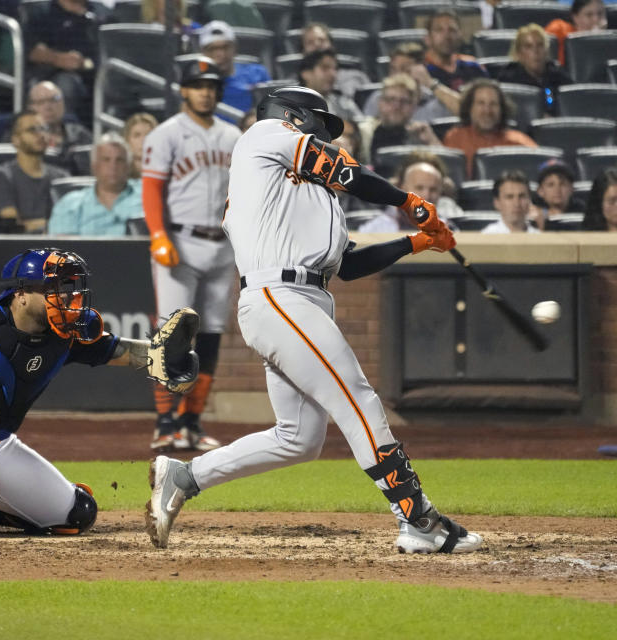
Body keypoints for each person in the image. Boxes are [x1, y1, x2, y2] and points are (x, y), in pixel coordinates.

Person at [145, 85, 483, 556]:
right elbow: (345, 170)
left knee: (299, 438)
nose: (327, 137)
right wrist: (409, 201)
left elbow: (348, 265)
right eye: (320, 126)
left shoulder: (311, 195)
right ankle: (417, 519)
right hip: (279, 295)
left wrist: (417, 243)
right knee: (357, 398)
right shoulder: (262, 135)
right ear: (293, 116)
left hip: (302, 300)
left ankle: (183, 475)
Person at [0, 248, 199, 538]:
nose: (65, 297)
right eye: (52, 289)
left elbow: (121, 352)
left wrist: (160, 357)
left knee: (77, 514)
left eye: (67, 287)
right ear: (20, 294)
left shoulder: (68, 331)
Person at [142, 56, 240, 451]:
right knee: (172, 334)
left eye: (211, 86)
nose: (205, 92)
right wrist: (158, 235)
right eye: (198, 86)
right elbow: (151, 189)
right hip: (180, 243)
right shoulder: (166, 134)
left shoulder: (233, 136)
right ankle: (166, 423)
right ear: (183, 90)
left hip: (222, 244)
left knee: (212, 335)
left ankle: (192, 423)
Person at [25, 0, 110, 124]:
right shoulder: (41, 11)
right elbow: (30, 50)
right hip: (54, 74)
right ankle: (65, 134)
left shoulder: (101, 12)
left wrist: (86, 64)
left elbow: (115, 47)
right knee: (66, 85)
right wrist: (57, 58)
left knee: (117, 88)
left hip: (98, 74)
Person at [0, 111, 70, 233]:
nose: (41, 134)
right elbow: (13, 227)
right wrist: (51, 224)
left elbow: (70, 221)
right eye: (32, 130)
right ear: (16, 140)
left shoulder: (62, 177)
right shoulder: (2, 176)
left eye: (43, 129)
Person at [48, 132, 143, 235]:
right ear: (94, 166)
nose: (113, 166)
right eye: (106, 160)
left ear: (128, 166)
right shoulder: (70, 204)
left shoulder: (147, 196)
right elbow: (62, 247)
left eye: (119, 160)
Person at [442, 79, 538, 177]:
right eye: (481, 103)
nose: (487, 111)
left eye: (493, 104)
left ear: (502, 109)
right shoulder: (455, 138)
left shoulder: (519, 142)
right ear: (469, 108)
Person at [359, 154, 463, 232]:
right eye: (419, 188)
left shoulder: (449, 229)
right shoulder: (376, 229)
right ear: (403, 189)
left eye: (433, 190)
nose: (427, 195)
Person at [356, 74, 441, 168]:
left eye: (404, 101)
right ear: (380, 103)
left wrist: (431, 141)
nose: (396, 106)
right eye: (390, 99)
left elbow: (445, 168)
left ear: (414, 106)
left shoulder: (420, 133)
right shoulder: (363, 132)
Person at [362, 43, 460, 121]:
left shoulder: (436, 102)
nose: (398, 75)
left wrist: (430, 83)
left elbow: (465, 111)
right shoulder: (378, 99)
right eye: (393, 69)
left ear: (421, 69)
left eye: (405, 69)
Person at [197, 20, 271, 121]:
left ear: (235, 48)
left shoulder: (257, 74)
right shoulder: (196, 84)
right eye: (213, 49)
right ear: (203, 53)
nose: (220, 54)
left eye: (225, 47)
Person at [498, 23, 572, 116]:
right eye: (528, 46)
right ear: (519, 53)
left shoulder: (559, 77)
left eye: (540, 45)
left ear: (546, 50)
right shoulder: (508, 80)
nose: (536, 51)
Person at [27, 81, 93, 174]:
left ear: (63, 103)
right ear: (31, 108)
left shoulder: (80, 135)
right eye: (41, 102)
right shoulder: (21, 136)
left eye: (54, 99)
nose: (48, 107)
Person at [300, 22, 371, 103]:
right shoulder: (293, 86)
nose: (317, 45)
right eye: (310, 42)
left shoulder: (356, 77)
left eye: (321, 40)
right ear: (303, 51)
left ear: (331, 45)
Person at [424, 9, 488, 92]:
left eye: (452, 30)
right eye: (439, 30)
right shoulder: (422, 70)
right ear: (427, 38)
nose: (447, 36)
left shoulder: (473, 66)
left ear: (460, 35)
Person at [296, 49, 363, 124]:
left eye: (335, 69)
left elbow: (362, 127)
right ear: (306, 74)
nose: (333, 74)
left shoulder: (344, 102)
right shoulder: (293, 106)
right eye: (325, 68)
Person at [546, 0, 607, 66]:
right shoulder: (559, 29)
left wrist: (601, 39)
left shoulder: (611, 37)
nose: (596, 19)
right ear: (575, 17)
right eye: (589, 15)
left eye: (600, 14)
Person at [533, 159, 583, 230]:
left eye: (562, 184)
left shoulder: (583, 215)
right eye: (550, 185)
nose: (557, 190)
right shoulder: (533, 217)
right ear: (540, 191)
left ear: (572, 188)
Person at [123, 112, 159, 179]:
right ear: (127, 140)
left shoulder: (166, 171)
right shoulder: (118, 173)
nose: (143, 140)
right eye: (137, 135)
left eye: (148, 135)